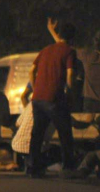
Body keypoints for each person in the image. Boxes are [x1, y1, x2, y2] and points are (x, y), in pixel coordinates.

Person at [27, 18, 77, 177]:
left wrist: (36, 88)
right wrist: (70, 94)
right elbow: (70, 74)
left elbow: (31, 71)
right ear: (72, 38)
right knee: (65, 133)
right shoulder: (69, 51)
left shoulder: (46, 49)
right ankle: (68, 167)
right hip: (54, 98)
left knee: (37, 134)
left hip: (37, 99)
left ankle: (33, 167)